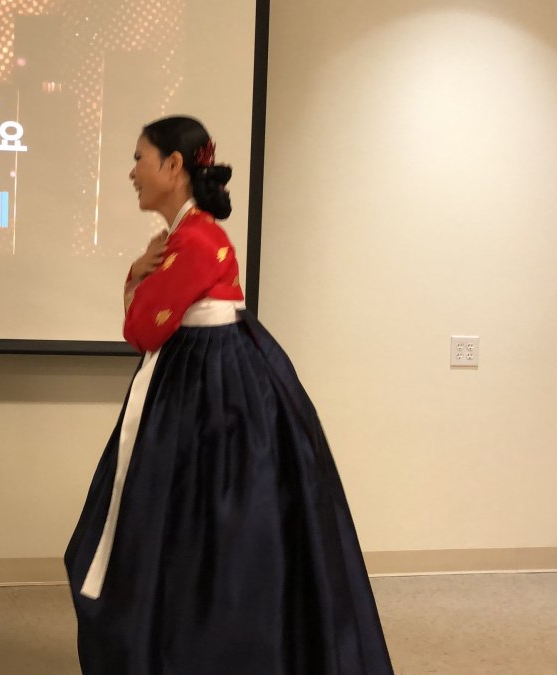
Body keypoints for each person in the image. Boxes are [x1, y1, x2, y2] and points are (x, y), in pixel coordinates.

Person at [64, 116, 393, 674]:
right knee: (204, 521)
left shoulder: (195, 240)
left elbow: (142, 330)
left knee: (205, 523)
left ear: (173, 166)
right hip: (210, 381)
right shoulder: (191, 237)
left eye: (140, 158)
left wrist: (135, 276)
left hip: (209, 392)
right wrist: (141, 273)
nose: (132, 172)